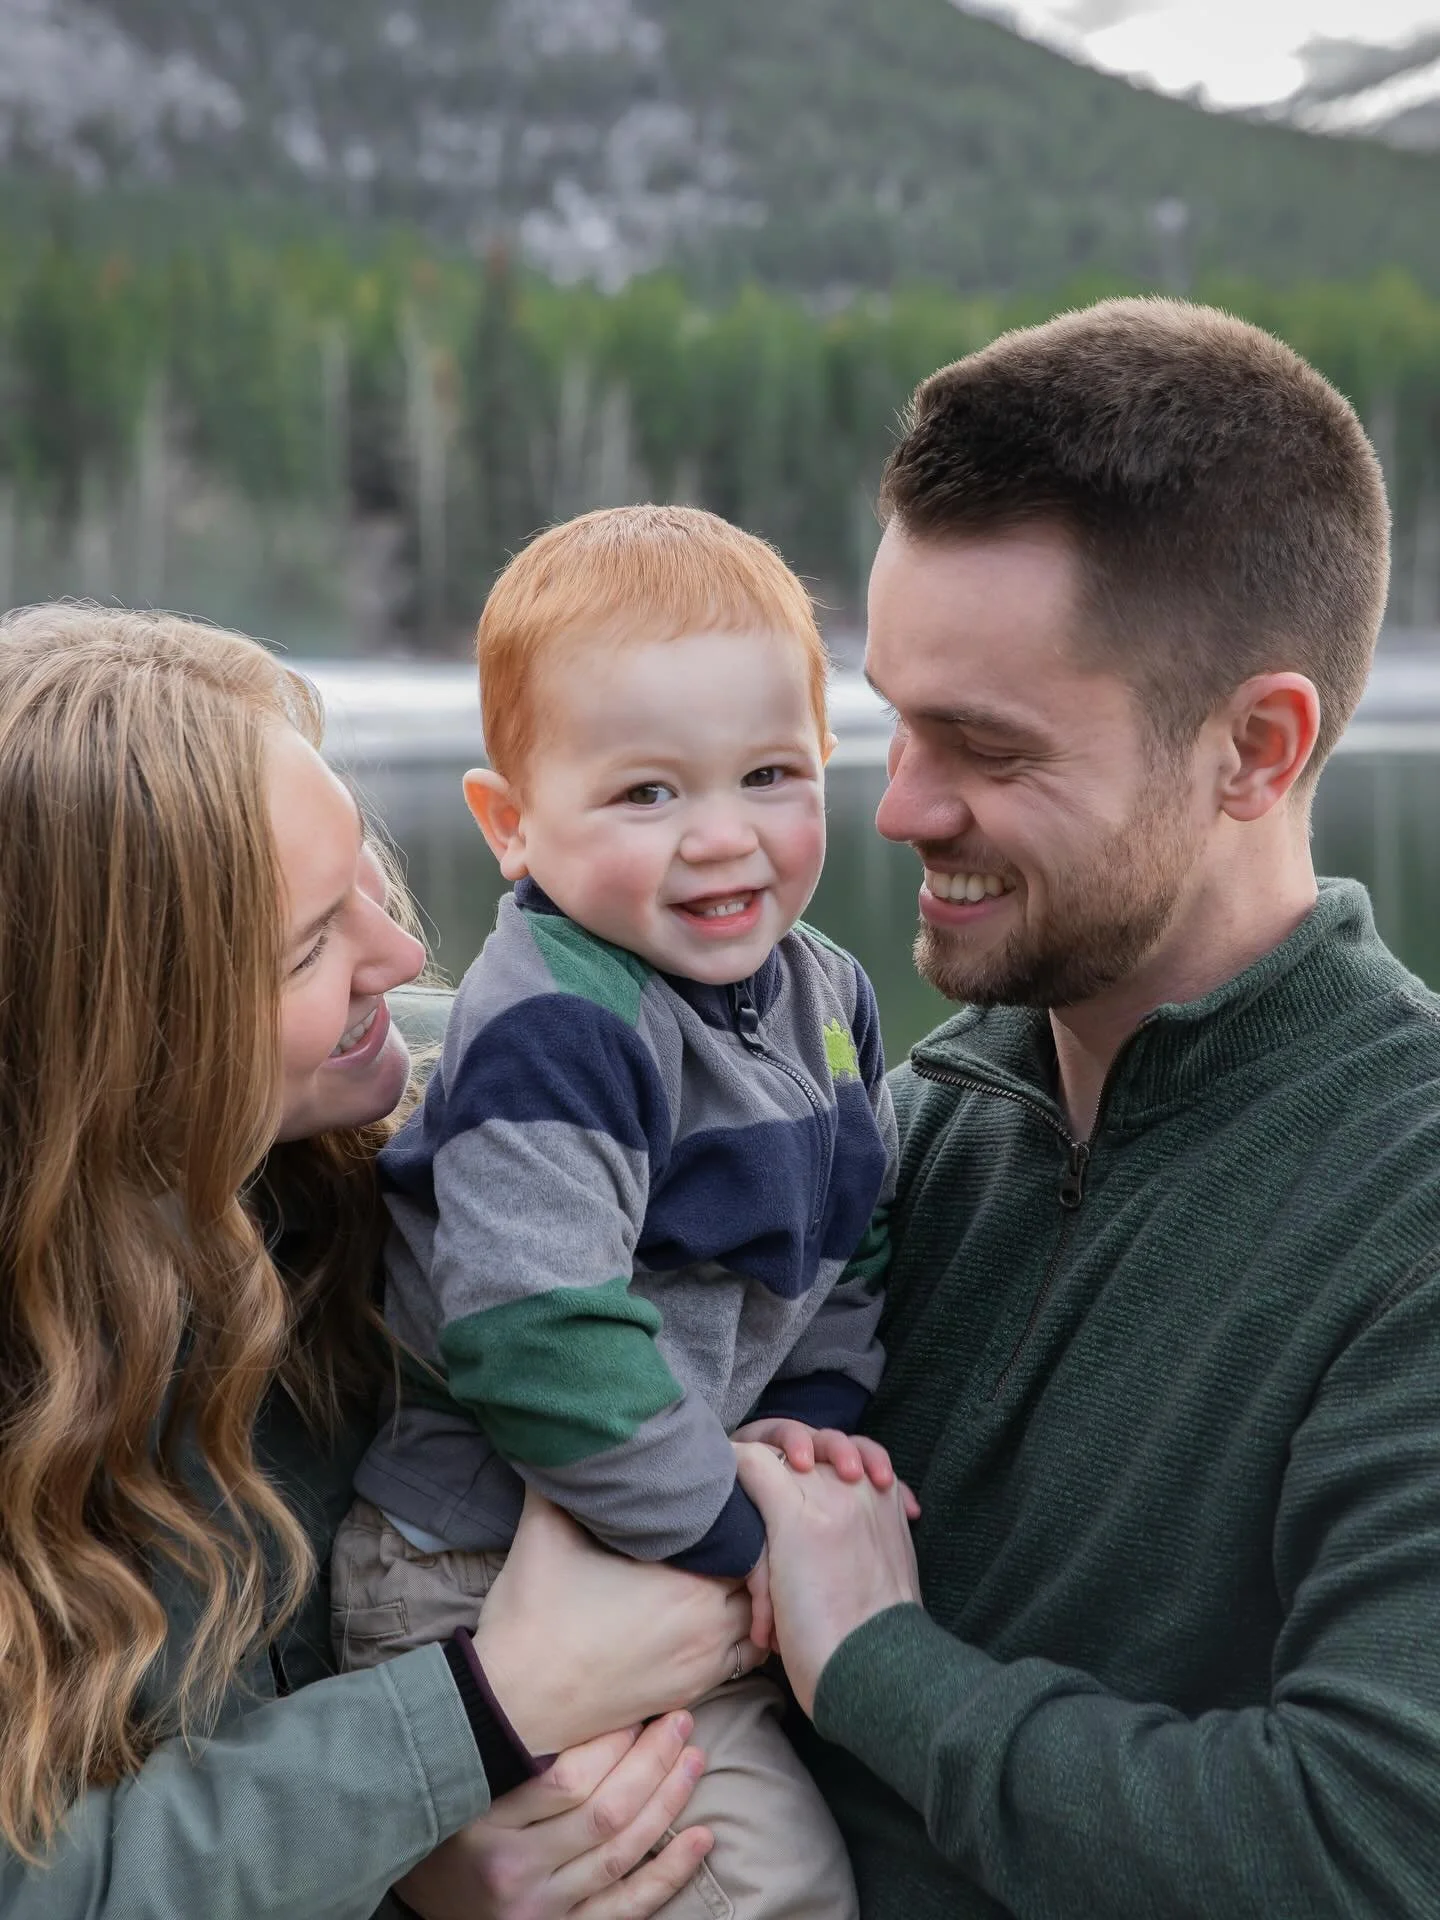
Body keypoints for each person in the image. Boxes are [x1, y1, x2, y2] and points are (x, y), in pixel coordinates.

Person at [725, 296, 1440, 1917]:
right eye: (891, 719)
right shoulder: (903, 1125)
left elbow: (1375, 1850)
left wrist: (881, 1665)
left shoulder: (1408, 1212)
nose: (900, 807)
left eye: (984, 746)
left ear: (1255, 748)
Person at [0, 602, 766, 1920]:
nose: (403, 953)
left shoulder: (453, 1126)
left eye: (365, 870)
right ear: (118, 1044)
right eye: (310, 946)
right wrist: (479, 1725)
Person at [333, 504, 906, 1920]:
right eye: (647, 793)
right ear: (511, 825)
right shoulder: (560, 1023)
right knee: (741, 1890)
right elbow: (538, 1340)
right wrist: (744, 1542)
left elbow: (852, 1227)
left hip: (656, 1523)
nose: (722, 838)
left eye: (769, 775)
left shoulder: (826, 993)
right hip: (483, 1571)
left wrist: (813, 1419)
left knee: (800, 1866)